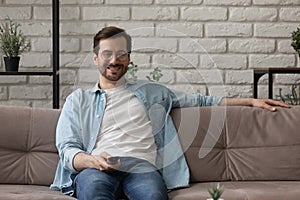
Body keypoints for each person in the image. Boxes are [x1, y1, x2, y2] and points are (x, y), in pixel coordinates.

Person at [50, 26, 290, 200]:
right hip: (96, 168)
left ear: (129, 58)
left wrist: (251, 101)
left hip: (142, 169)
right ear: (95, 59)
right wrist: (94, 161)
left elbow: (205, 100)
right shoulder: (78, 100)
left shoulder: (154, 92)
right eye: (107, 54)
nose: (114, 60)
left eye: (121, 54)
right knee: (93, 192)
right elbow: (67, 147)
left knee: (154, 196)